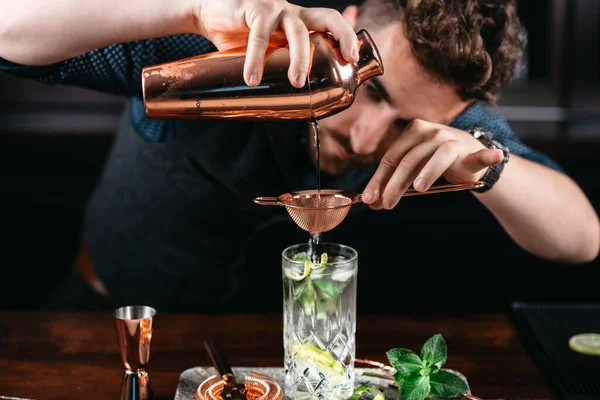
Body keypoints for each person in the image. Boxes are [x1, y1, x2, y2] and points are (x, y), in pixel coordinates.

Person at [1, 0, 598, 313]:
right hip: (111, 316)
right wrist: (191, 10)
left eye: (407, 124)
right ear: (348, 28)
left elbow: (581, 239)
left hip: (281, 360)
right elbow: (9, 33)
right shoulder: (230, 47)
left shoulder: (451, 117)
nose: (367, 141)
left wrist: (491, 167)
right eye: (372, 90)